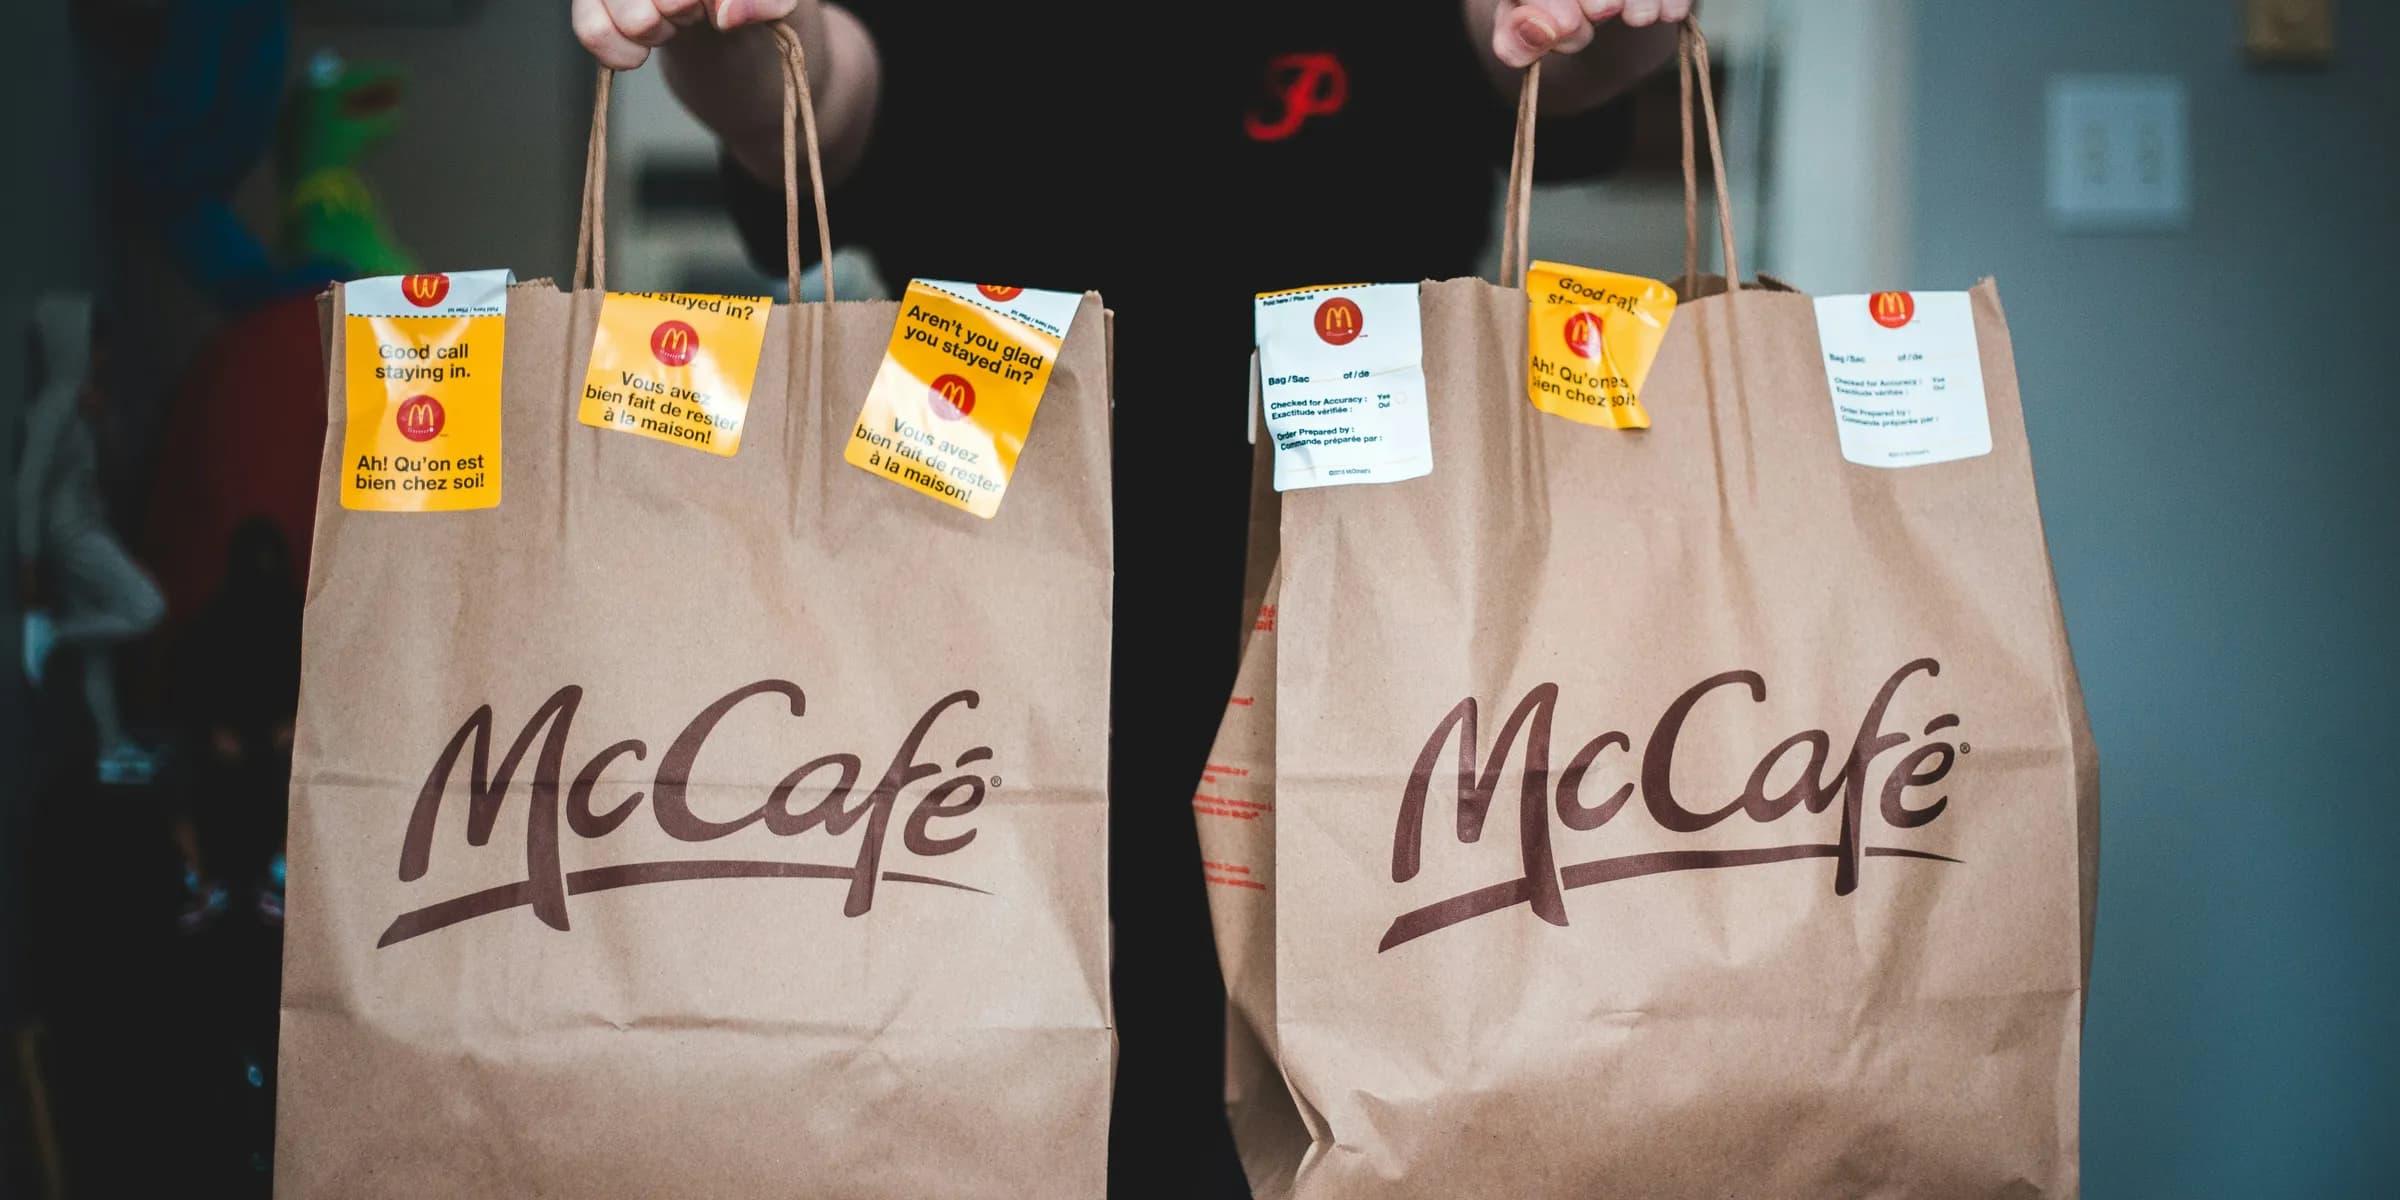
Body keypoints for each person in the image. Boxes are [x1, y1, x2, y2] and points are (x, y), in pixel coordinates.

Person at [571, 2, 1689, 1194]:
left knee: (1357, 1105)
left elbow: (1535, 62)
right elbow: (821, 93)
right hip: (961, 626)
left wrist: (1610, 14)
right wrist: (712, 25)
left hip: (1365, 613)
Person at [19, 294, 168, 785]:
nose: (103, 356)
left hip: (86, 530)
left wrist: (99, 419)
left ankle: (109, 747)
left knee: (98, 655)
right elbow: (29, 483)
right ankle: (56, 635)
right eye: (96, 345)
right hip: (72, 536)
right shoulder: (56, 403)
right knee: (147, 607)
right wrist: (28, 560)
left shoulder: (81, 401)